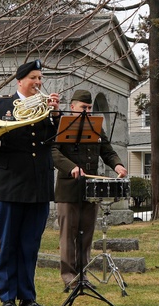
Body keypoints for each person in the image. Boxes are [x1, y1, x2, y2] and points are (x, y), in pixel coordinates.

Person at [0, 60, 60, 306]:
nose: (38, 82)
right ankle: (7, 296)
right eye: (33, 78)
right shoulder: (0, 105)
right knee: (7, 243)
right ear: (20, 81)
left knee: (30, 244)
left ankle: (27, 297)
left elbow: (55, 142)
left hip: (37, 186)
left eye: (40, 78)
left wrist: (55, 115)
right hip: (7, 185)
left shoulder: (46, 108)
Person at [52, 89, 127, 291]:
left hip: (90, 189)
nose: (86, 111)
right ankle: (69, 277)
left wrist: (118, 165)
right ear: (72, 107)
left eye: (89, 108)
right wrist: (71, 167)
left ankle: (83, 274)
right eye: (83, 107)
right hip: (68, 189)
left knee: (86, 234)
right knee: (68, 235)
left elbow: (108, 151)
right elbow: (53, 152)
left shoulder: (95, 127)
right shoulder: (61, 125)